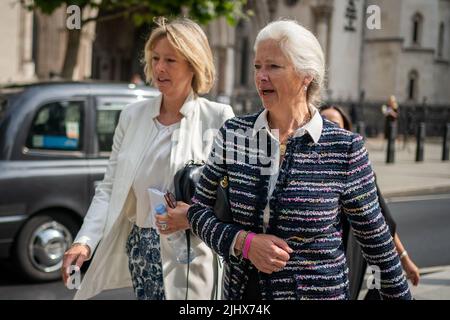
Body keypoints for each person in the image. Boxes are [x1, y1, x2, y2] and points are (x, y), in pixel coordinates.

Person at [187, 20, 412, 300]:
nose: (261, 76)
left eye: (273, 66)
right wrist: (242, 242)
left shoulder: (346, 148)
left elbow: (377, 243)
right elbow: (197, 212)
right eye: (258, 66)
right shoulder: (234, 134)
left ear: (306, 75)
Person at [61, 17, 235, 300]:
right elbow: (109, 188)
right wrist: (84, 241)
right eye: (155, 58)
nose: (159, 68)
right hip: (141, 249)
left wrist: (192, 218)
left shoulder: (218, 117)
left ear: (193, 64)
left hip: (191, 250)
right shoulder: (132, 116)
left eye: (171, 60)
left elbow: (232, 198)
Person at [319, 104, 420, 299]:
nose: (327, 128)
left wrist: (405, 260)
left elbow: (383, 223)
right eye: (322, 122)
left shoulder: (357, 173)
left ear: (346, 130)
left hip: (347, 257)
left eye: (334, 124)